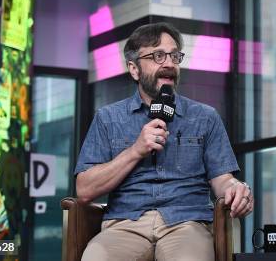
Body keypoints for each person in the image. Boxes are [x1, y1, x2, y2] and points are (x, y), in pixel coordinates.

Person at [75, 22, 253, 261]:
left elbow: (222, 179)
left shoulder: (205, 117)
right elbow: (84, 190)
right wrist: (136, 151)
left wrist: (235, 188)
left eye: (174, 56)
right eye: (158, 56)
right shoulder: (108, 118)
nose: (169, 64)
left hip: (187, 223)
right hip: (126, 223)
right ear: (134, 69)